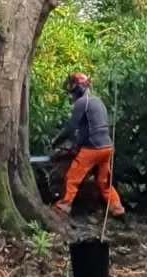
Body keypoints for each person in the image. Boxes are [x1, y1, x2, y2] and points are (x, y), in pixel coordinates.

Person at [51, 72, 124, 217]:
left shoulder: (82, 102)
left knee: (72, 177)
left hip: (92, 148)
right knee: (104, 182)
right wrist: (75, 146)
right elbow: (90, 128)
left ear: (78, 88)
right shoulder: (98, 101)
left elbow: (72, 127)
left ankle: (64, 205)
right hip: (107, 147)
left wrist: (56, 141)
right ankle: (117, 208)